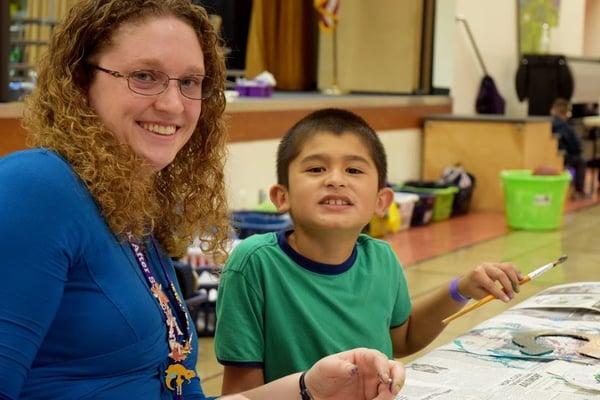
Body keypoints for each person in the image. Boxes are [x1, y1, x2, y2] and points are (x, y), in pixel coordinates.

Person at [0, 2, 405, 399]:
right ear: (80, 81)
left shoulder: (134, 209)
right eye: (144, 76)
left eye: (190, 82)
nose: (173, 104)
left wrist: (308, 388)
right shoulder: (36, 187)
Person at [215, 108, 523, 394]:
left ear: (382, 201)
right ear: (282, 196)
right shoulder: (254, 264)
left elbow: (403, 339)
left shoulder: (381, 259)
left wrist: (462, 289)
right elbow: (241, 395)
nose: (335, 180)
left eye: (353, 170)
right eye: (316, 168)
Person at [550, 98, 587, 197]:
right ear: (566, 112)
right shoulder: (565, 126)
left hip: (553, 153)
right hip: (564, 155)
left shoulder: (548, 122)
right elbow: (576, 145)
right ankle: (579, 190)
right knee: (581, 160)